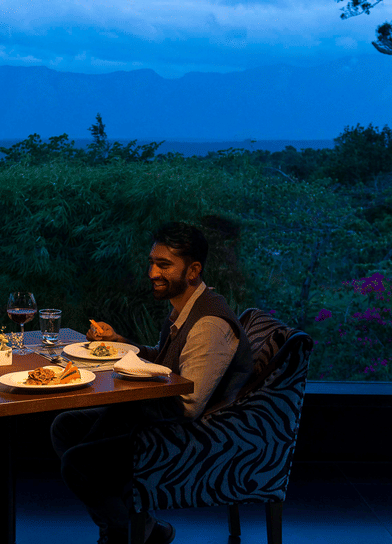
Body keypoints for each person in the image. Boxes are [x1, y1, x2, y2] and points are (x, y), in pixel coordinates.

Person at [50, 222, 253, 544]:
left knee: (79, 463)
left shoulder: (209, 323)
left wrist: (132, 391)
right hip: (165, 415)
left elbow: (188, 405)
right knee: (65, 427)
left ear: (193, 270)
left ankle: (123, 532)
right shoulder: (185, 309)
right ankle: (144, 526)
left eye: (164, 264)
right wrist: (120, 343)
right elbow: (165, 359)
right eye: (152, 262)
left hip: (196, 435)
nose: (152, 273)